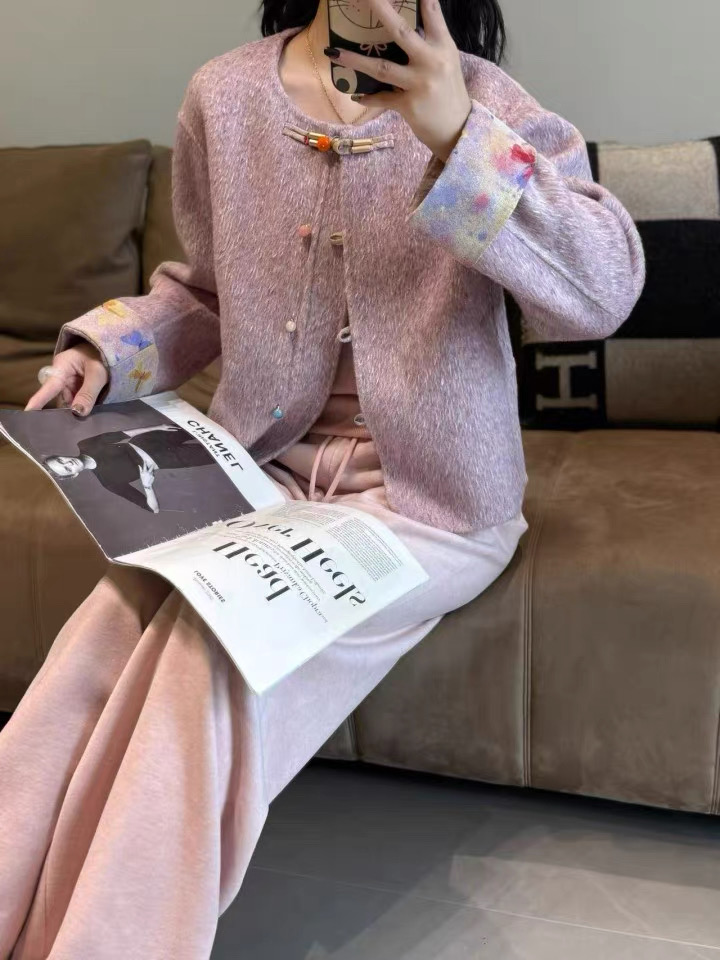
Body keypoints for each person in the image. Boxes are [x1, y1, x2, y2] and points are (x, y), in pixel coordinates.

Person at [0, 0, 646, 956]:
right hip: (258, 474)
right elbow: (203, 293)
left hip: (430, 503)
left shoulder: (485, 98)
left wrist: (457, 134)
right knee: (108, 619)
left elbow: (601, 290)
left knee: (211, 650)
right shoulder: (225, 95)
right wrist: (109, 351)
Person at [43, 424, 215, 513]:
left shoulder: (85, 445)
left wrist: (158, 427)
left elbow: (123, 434)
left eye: (61, 460)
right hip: (168, 459)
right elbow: (153, 509)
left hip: (153, 438)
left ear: (62, 455)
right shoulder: (108, 482)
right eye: (66, 469)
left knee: (211, 425)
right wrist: (147, 485)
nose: (68, 464)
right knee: (217, 451)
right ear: (73, 475)